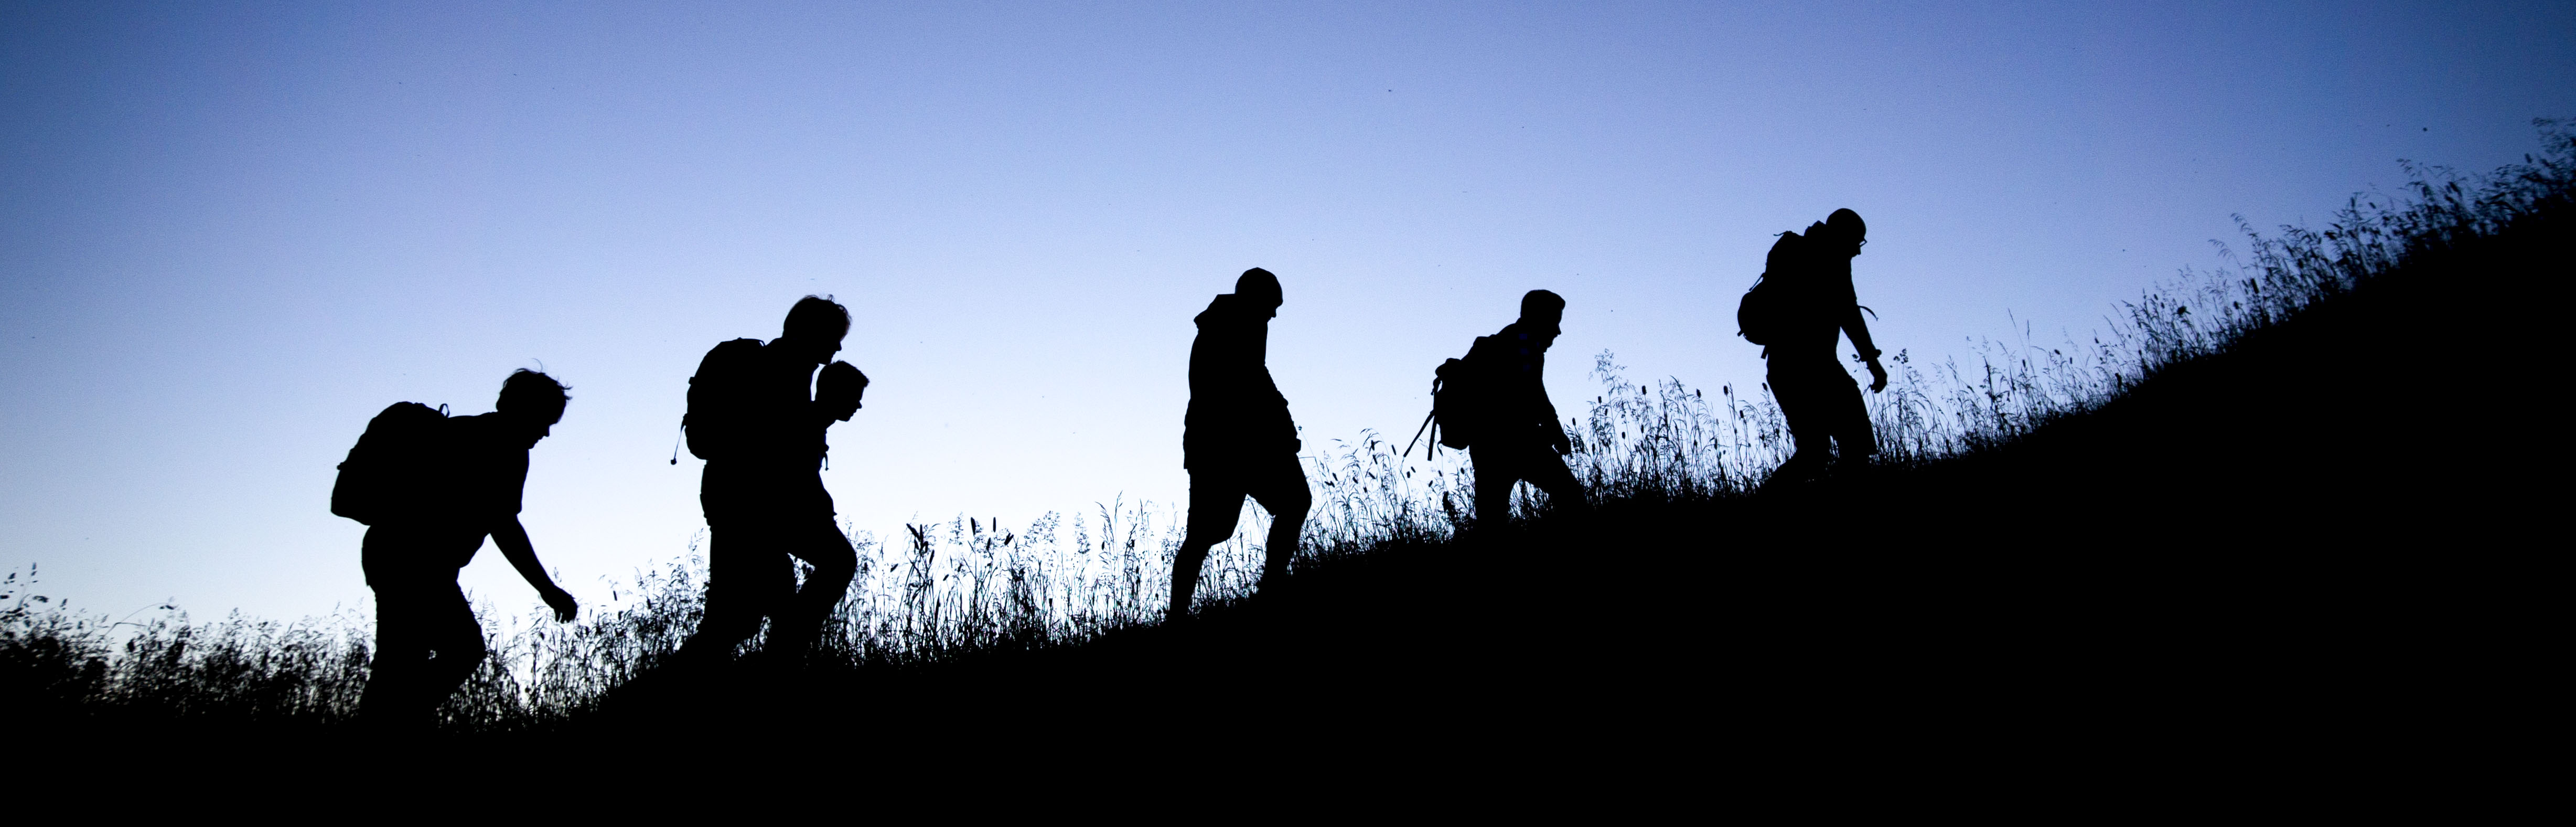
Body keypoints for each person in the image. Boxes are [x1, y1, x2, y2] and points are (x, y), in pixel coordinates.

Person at [357, 369, 578, 728]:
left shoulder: (462, 429)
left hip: (391, 552)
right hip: (416, 563)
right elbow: (504, 526)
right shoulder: (504, 448)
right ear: (526, 410)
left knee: (399, 661)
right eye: (545, 420)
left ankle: (387, 721)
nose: (546, 432)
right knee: (461, 650)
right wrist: (548, 589)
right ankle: (393, 723)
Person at [678, 296, 864, 664]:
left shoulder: (784, 364)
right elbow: (781, 452)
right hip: (754, 505)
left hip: (731, 498)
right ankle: (778, 666)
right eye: (835, 335)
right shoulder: (789, 365)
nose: (839, 345)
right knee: (837, 563)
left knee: (739, 617)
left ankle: (775, 665)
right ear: (814, 331)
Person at [1171, 268, 1311, 616]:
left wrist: (1280, 426)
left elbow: (1254, 379)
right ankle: (1267, 594)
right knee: (1210, 533)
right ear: (1256, 298)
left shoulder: (1228, 322)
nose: (1274, 314)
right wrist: (1282, 427)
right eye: (1272, 306)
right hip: (1230, 444)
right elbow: (1252, 380)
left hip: (1224, 442)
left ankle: (1180, 617)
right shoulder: (1238, 323)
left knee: (1209, 533)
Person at [1762, 208, 1887, 484]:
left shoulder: (1795, 250)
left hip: (1786, 367)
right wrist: (1873, 361)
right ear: (1843, 236)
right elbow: (1849, 314)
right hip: (1812, 367)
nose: (1858, 251)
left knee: (1816, 453)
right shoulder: (1832, 259)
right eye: (1857, 242)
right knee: (1843, 446)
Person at [1467, 290, 1585, 530]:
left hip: (1486, 447)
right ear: (1539, 318)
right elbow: (1534, 395)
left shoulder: (1510, 341)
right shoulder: (1523, 346)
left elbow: (1534, 395)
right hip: (1518, 444)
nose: (1558, 331)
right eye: (1555, 322)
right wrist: (1558, 435)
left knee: (1491, 525)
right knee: (1572, 497)